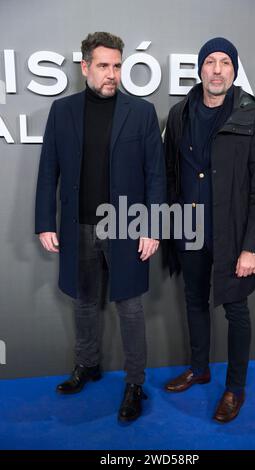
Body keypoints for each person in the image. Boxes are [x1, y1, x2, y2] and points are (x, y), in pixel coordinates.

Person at [35, 32, 165, 422]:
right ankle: (87, 365)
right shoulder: (63, 111)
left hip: (126, 226)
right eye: (104, 66)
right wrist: (45, 222)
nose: (112, 74)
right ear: (85, 66)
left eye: (117, 66)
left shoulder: (141, 113)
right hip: (78, 227)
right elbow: (48, 172)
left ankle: (135, 384)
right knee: (84, 301)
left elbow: (155, 175)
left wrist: (153, 226)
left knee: (129, 307)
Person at [164, 37, 255, 423]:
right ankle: (200, 368)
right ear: (199, 69)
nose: (216, 69)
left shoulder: (254, 116)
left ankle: (235, 388)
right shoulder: (179, 114)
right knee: (194, 302)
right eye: (209, 62)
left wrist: (253, 248)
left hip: (233, 235)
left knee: (236, 310)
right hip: (189, 230)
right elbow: (169, 175)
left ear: (234, 69)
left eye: (224, 62)